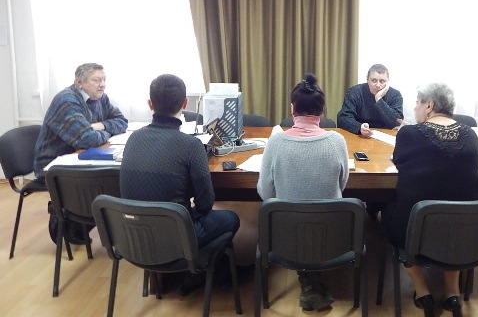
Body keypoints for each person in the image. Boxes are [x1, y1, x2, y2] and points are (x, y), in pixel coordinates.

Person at [120, 74, 240, 295]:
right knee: (231, 218)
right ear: (185, 104)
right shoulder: (191, 145)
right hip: (176, 237)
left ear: (150, 104)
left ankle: (202, 269)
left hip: (135, 236)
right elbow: (206, 203)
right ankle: (198, 273)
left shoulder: (133, 138)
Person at [381, 83, 478, 317]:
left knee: (389, 214)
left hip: (417, 228)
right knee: (453, 217)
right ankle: (452, 291)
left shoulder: (408, 134)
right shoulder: (470, 134)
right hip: (466, 229)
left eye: (417, 103)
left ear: (429, 105)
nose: (415, 108)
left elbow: (399, 161)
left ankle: (422, 290)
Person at [257, 73, 349, 311]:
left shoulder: (276, 143)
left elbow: (265, 193)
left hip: (285, 238)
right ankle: (311, 278)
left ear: (292, 109)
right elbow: (341, 185)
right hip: (332, 237)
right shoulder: (337, 141)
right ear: (322, 111)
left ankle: (307, 276)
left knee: (292, 217)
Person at [33, 62, 128, 244]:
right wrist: (104, 132)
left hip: (79, 157)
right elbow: (87, 139)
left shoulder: (99, 97)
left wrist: (99, 126)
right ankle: (64, 215)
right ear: (79, 82)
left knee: (115, 176)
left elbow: (122, 121)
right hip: (53, 165)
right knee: (111, 179)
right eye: (96, 80)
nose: (102, 84)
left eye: (104, 79)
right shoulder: (67, 101)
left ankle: (89, 222)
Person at [337, 63, 404, 137]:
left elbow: (397, 122)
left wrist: (378, 99)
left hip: (385, 136)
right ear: (367, 79)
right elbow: (343, 118)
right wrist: (359, 127)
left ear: (387, 81)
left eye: (382, 81)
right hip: (360, 135)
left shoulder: (395, 95)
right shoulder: (355, 92)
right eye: (374, 80)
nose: (378, 85)